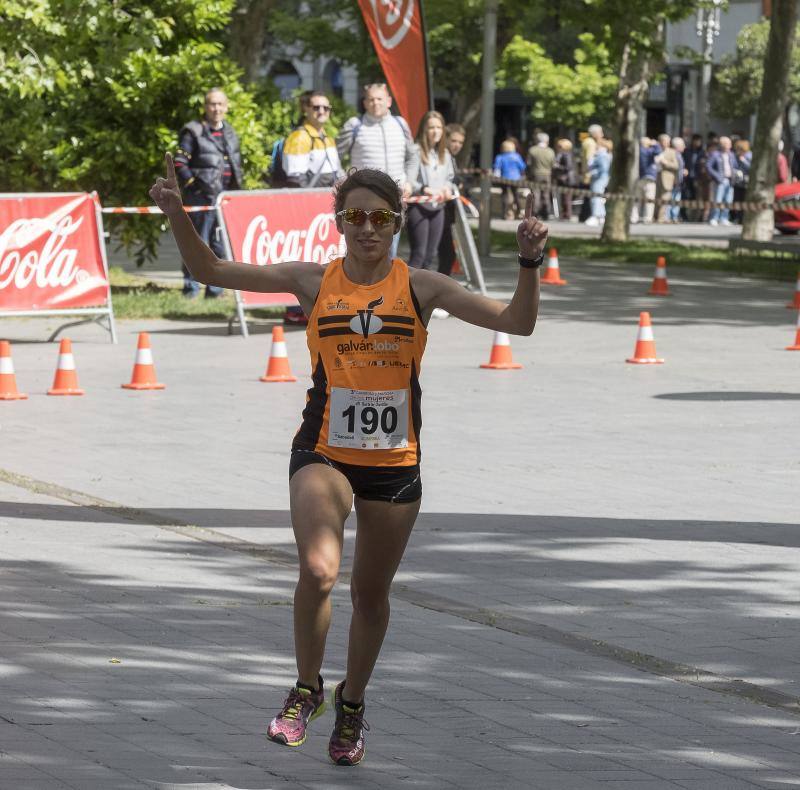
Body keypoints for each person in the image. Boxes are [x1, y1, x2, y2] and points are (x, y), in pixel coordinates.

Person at [149, 157, 547, 768]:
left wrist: (528, 263)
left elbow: (518, 323)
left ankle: (352, 702)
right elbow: (210, 268)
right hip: (324, 450)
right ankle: (306, 689)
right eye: (356, 216)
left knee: (371, 594)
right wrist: (178, 215)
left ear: (395, 224)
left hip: (395, 461)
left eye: (380, 218)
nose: (368, 228)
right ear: (339, 222)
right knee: (318, 570)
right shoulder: (313, 280)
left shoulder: (422, 286)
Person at [174, 88, 243, 298]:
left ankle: (215, 290)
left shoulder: (230, 132)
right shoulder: (193, 130)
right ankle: (190, 289)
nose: (216, 108)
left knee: (218, 245)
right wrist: (195, 186)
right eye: (212, 104)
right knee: (196, 244)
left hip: (224, 199)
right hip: (200, 198)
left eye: (220, 104)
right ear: (205, 107)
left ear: (227, 107)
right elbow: (179, 162)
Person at [337, 84, 418, 260]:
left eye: (379, 99)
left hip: (394, 198)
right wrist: (345, 184)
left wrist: (410, 181)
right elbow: (334, 156)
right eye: (371, 99)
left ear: (388, 101)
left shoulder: (400, 124)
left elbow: (413, 156)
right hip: (363, 202)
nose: (375, 103)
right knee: (363, 250)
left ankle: (385, 286)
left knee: (389, 250)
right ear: (365, 103)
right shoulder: (354, 125)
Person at [407, 111, 456, 276]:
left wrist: (446, 188)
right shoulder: (416, 150)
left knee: (430, 255)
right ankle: (404, 293)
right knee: (419, 254)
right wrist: (425, 189)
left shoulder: (445, 154)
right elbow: (409, 180)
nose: (435, 131)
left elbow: (449, 178)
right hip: (418, 207)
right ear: (424, 130)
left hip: (438, 208)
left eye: (438, 127)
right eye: (431, 128)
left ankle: (422, 297)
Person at [283, 90, 345, 188]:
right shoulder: (299, 137)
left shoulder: (328, 138)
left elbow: (339, 173)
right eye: (316, 108)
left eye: (326, 108)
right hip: (311, 200)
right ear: (305, 109)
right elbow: (295, 179)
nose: (321, 111)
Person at [437, 123, 466, 277]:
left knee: (447, 255)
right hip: (438, 210)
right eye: (454, 141)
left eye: (460, 142)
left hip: (447, 211)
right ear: (446, 139)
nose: (457, 145)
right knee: (445, 254)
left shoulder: (450, 157)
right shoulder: (442, 156)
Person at [492, 140, 527, 220]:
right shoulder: (517, 156)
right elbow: (522, 167)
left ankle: (507, 214)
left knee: (505, 195)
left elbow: (497, 168)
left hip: (505, 179)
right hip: (516, 178)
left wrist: (496, 178)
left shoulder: (500, 157)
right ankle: (519, 212)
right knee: (515, 194)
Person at [707, 135, 737, 226]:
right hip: (720, 181)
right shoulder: (715, 154)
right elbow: (708, 166)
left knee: (728, 200)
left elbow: (735, 166)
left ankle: (724, 218)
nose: (730, 145)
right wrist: (717, 176)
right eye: (728, 144)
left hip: (730, 180)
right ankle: (714, 218)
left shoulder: (731, 154)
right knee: (718, 200)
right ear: (723, 144)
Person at [631, 136, 662, 224]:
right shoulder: (648, 151)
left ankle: (634, 217)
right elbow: (658, 151)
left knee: (636, 200)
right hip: (649, 178)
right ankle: (647, 218)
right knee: (649, 199)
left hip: (638, 178)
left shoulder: (637, 151)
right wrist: (655, 144)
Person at [526, 132, 555, 219]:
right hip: (547, 174)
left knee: (536, 193)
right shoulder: (551, 151)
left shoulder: (532, 150)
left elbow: (528, 163)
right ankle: (546, 212)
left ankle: (535, 212)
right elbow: (553, 164)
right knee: (546, 193)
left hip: (535, 174)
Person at [585, 138, 612, 226]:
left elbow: (603, 169)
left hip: (599, 179)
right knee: (598, 198)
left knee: (596, 197)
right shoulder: (602, 155)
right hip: (600, 178)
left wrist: (592, 173)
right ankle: (601, 216)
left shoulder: (602, 155)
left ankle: (596, 216)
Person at [579, 124, 603, 221]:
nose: (602, 135)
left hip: (586, 173)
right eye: (600, 132)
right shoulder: (591, 143)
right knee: (589, 198)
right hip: (589, 174)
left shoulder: (586, 141)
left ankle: (584, 216)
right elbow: (590, 159)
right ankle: (587, 216)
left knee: (587, 197)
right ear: (595, 133)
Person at [654, 134, 679, 223]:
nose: (666, 143)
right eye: (663, 141)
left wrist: (665, 163)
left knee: (664, 199)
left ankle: (661, 218)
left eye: (667, 141)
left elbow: (676, 166)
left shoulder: (672, 152)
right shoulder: (655, 150)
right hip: (655, 178)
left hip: (667, 179)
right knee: (655, 199)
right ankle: (655, 217)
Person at [552, 138, 576, 221]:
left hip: (566, 179)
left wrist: (557, 166)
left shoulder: (565, 155)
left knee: (566, 197)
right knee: (564, 197)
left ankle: (567, 214)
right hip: (566, 178)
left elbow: (568, 167)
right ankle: (565, 214)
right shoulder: (567, 154)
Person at [667, 137, 687, 223]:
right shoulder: (672, 154)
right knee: (670, 199)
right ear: (677, 146)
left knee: (676, 199)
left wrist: (682, 172)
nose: (684, 147)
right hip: (673, 181)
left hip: (679, 181)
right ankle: (668, 217)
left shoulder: (679, 155)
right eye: (683, 145)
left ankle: (674, 216)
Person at [732, 139, 752, 223]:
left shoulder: (749, 156)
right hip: (738, 182)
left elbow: (751, 168)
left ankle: (743, 218)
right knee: (737, 200)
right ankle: (737, 217)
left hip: (746, 182)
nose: (738, 151)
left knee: (745, 200)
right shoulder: (735, 156)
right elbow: (733, 166)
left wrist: (743, 161)